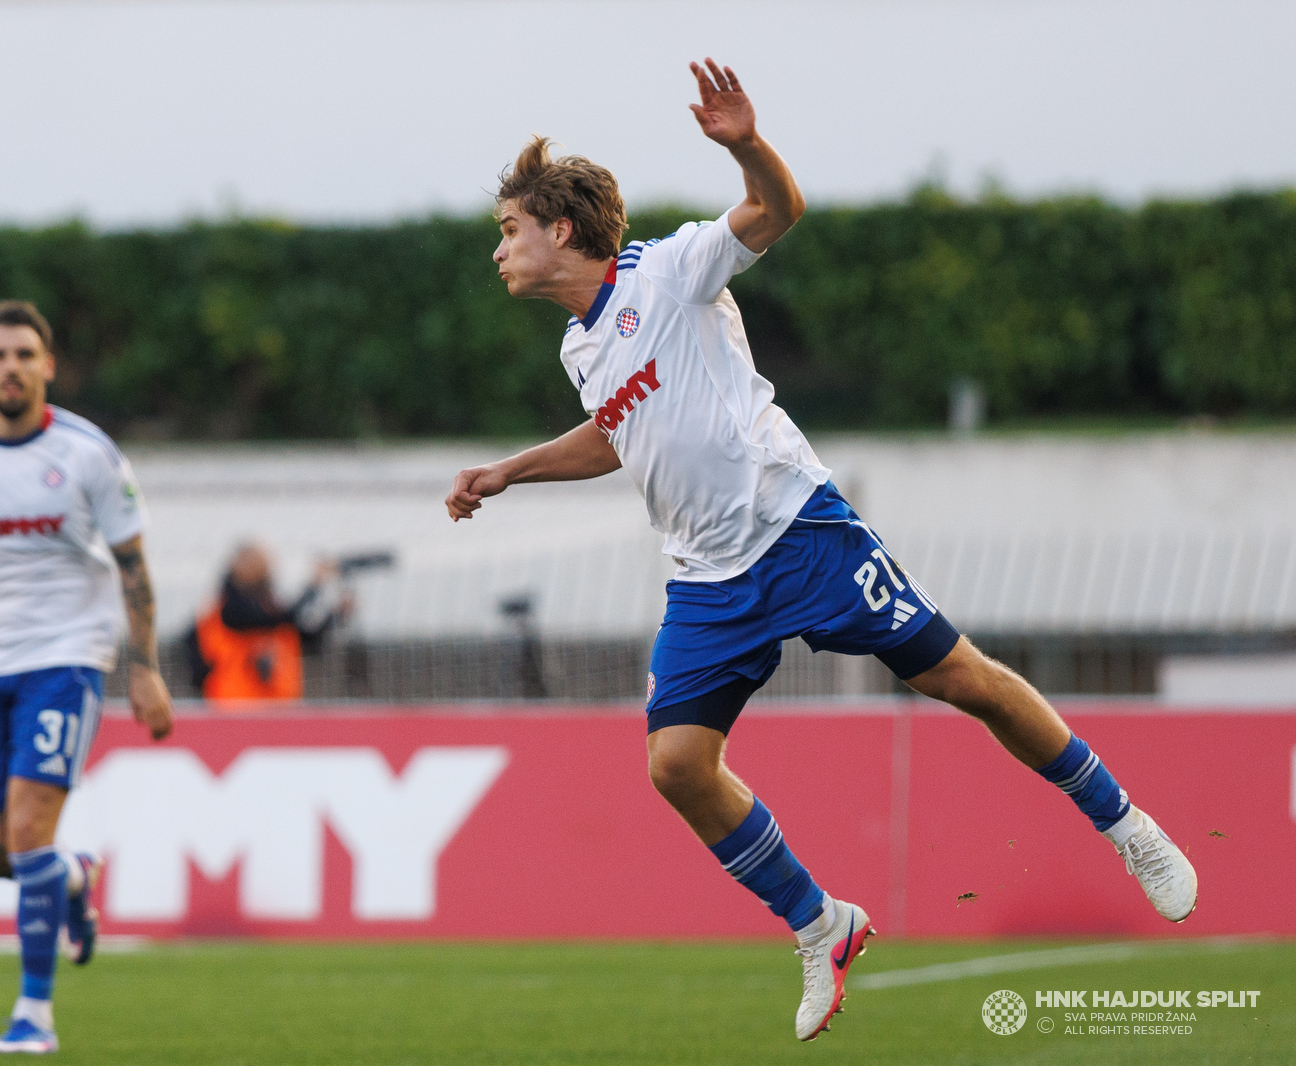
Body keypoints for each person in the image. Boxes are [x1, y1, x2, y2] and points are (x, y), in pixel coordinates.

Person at [445, 59, 1197, 1043]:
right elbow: (615, 433)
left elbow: (776, 208)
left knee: (962, 680)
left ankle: (1123, 821)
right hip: (708, 579)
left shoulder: (671, 269)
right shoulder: (579, 349)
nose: (497, 250)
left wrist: (744, 144)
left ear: (562, 229)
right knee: (675, 765)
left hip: (800, 532)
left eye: (508, 230)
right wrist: (511, 470)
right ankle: (820, 923)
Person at [0, 299, 174, 1054]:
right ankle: (75, 878)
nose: (12, 367)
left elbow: (133, 565)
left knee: (26, 831)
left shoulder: (89, 454)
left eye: (25, 354)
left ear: (47, 366)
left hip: (66, 658)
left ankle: (33, 1016)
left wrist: (146, 668)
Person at [186, 542, 347, 702]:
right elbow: (276, 618)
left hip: (280, 707)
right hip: (235, 706)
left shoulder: (269, 607)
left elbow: (304, 637)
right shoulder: (229, 609)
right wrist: (313, 587)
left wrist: (336, 615)